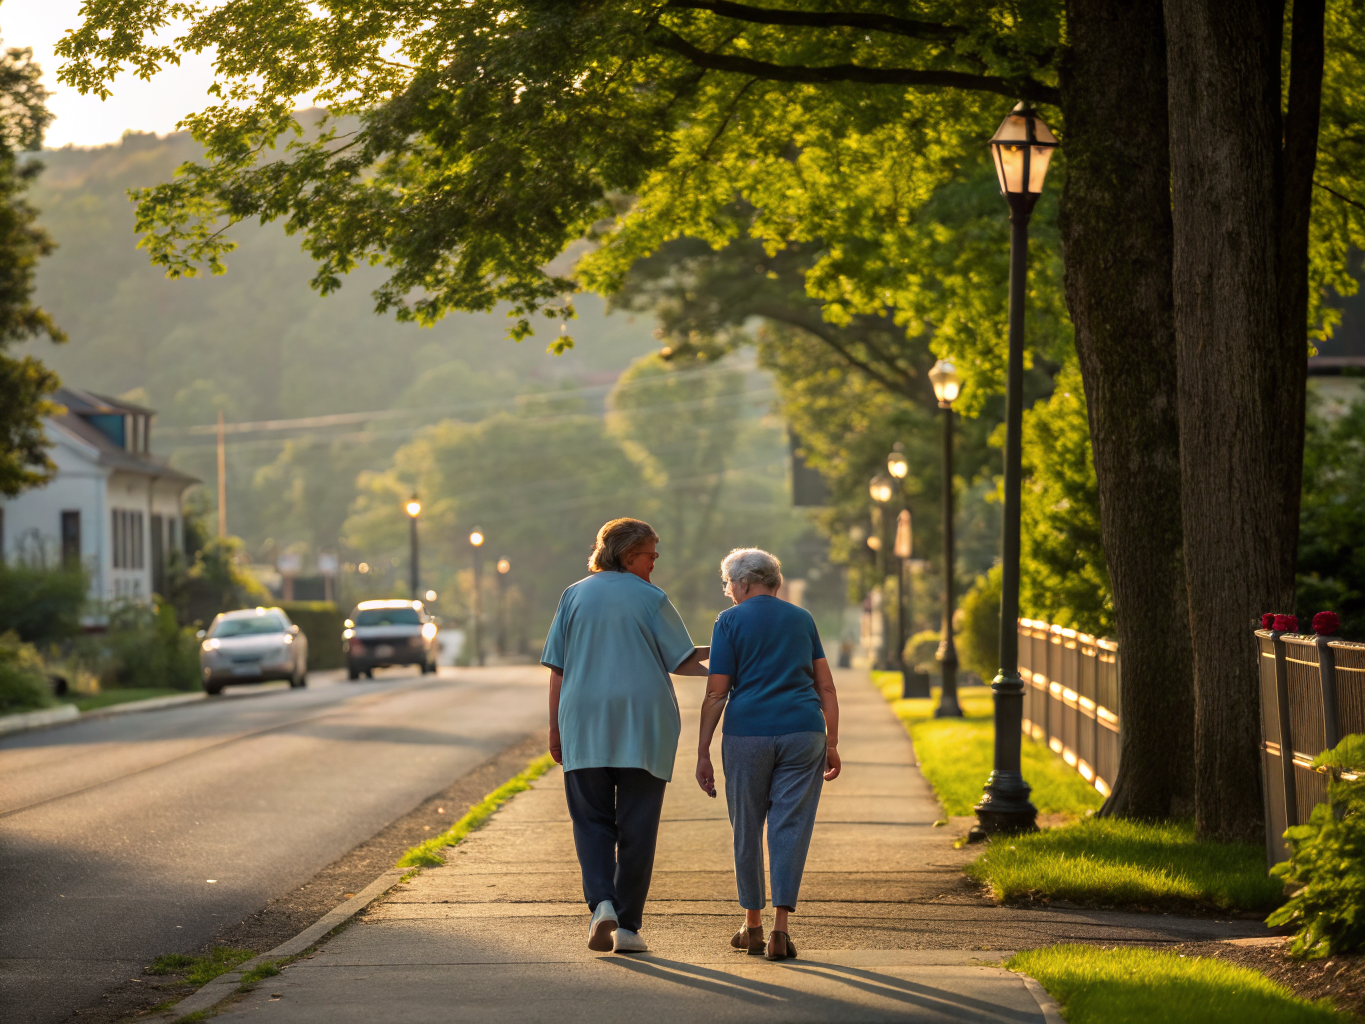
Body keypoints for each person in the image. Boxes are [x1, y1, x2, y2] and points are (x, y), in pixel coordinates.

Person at [542, 518, 709, 955]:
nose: (655, 562)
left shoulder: (573, 595)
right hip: (644, 721)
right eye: (651, 554)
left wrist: (555, 727)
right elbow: (682, 660)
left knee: (591, 820)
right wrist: (730, 662)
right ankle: (629, 928)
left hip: (584, 719)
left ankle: (602, 904)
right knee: (638, 825)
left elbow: (558, 670)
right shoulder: (652, 598)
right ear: (629, 555)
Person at [696, 547, 840, 961]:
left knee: (746, 826)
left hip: (747, 734)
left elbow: (717, 692)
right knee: (789, 827)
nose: (729, 591)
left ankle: (753, 925)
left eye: (729, 584)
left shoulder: (729, 621)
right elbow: (825, 686)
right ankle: (780, 931)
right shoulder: (802, 619)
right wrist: (831, 743)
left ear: (744, 583)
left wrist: (703, 750)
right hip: (803, 732)